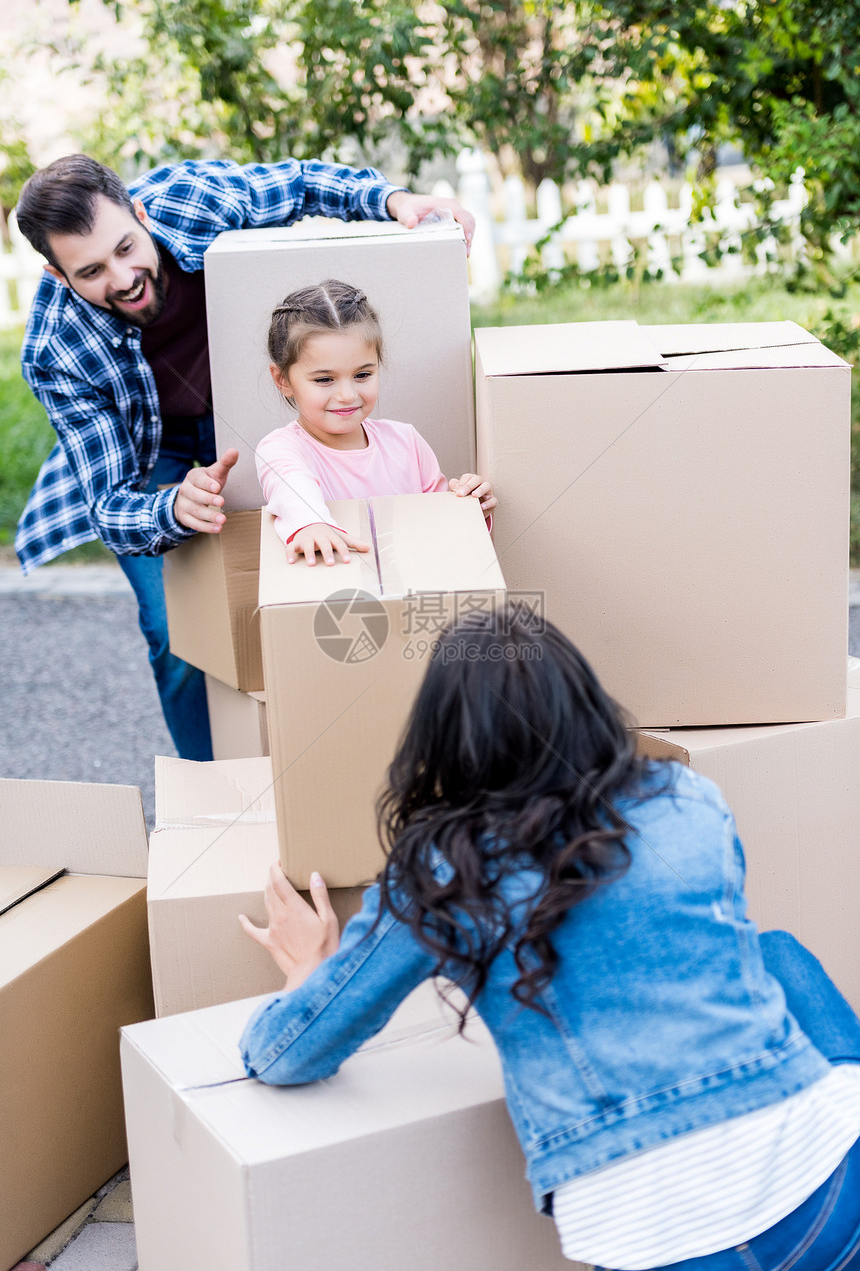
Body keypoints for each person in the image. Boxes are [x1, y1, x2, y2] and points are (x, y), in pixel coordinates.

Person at [239, 605, 860, 1270]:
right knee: (777, 952)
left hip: (661, 1248)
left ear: (446, 740)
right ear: (587, 706)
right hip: (830, 1196)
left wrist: (307, 965)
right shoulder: (686, 796)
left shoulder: (443, 872)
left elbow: (285, 1054)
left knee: (776, 951)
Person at [14, 155, 475, 759]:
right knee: (174, 632)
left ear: (140, 212)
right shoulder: (55, 348)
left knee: (309, 586)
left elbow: (304, 182)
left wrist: (391, 201)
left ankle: (332, 751)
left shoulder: (191, 200)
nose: (123, 277)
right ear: (57, 272)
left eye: (127, 247)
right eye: (92, 270)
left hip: (255, 414)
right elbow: (109, 505)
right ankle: (213, 790)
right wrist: (172, 508)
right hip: (156, 451)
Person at [255, 278, 496, 567]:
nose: (347, 395)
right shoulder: (281, 449)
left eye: (362, 375)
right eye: (324, 380)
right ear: (283, 380)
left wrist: (468, 508)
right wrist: (311, 523)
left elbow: (441, 529)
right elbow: (291, 488)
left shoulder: (405, 441)